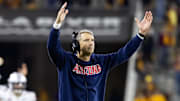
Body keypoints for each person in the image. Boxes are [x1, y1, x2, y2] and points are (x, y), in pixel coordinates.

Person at [47, 2, 153, 101]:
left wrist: (140, 35)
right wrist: (57, 25)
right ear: (76, 44)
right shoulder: (66, 61)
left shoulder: (101, 61)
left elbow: (124, 54)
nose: (91, 43)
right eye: (86, 40)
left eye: (92, 40)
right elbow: (52, 47)